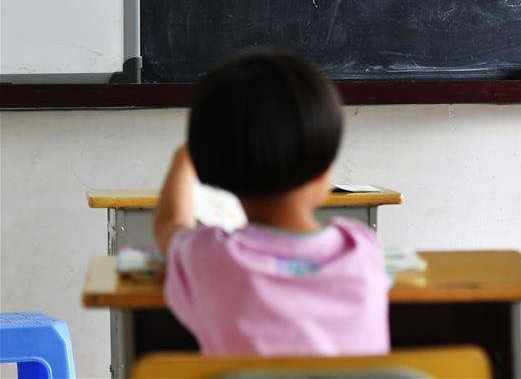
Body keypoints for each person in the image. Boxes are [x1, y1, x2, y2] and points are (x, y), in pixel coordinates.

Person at [153, 48, 390, 356]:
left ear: (214, 165)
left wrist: (184, 157)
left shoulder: (209, 258)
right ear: (323, 173)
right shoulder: (362, 251)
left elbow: (170, 224)